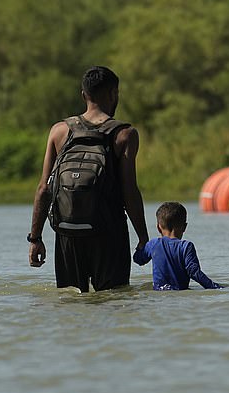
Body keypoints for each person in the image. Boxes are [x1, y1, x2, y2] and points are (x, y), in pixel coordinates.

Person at [28, 66, 149, 292]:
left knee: (71, 299)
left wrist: (35, 239)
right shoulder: (124, 134)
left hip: (67, 232)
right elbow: (129, 191)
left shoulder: (59, 131)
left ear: (84, 95)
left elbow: (43, 189)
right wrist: (143, 238)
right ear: (114, 94)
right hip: (109, 232)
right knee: (114, 299)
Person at [133, 202, 222, 290]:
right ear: (184, 227)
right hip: (180, 293)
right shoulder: (186, 246)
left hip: (159, 295)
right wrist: (214, 286)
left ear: (158, 227)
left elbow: (138, 259)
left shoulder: (153, 244)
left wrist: (141, 244)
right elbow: (193, 272)